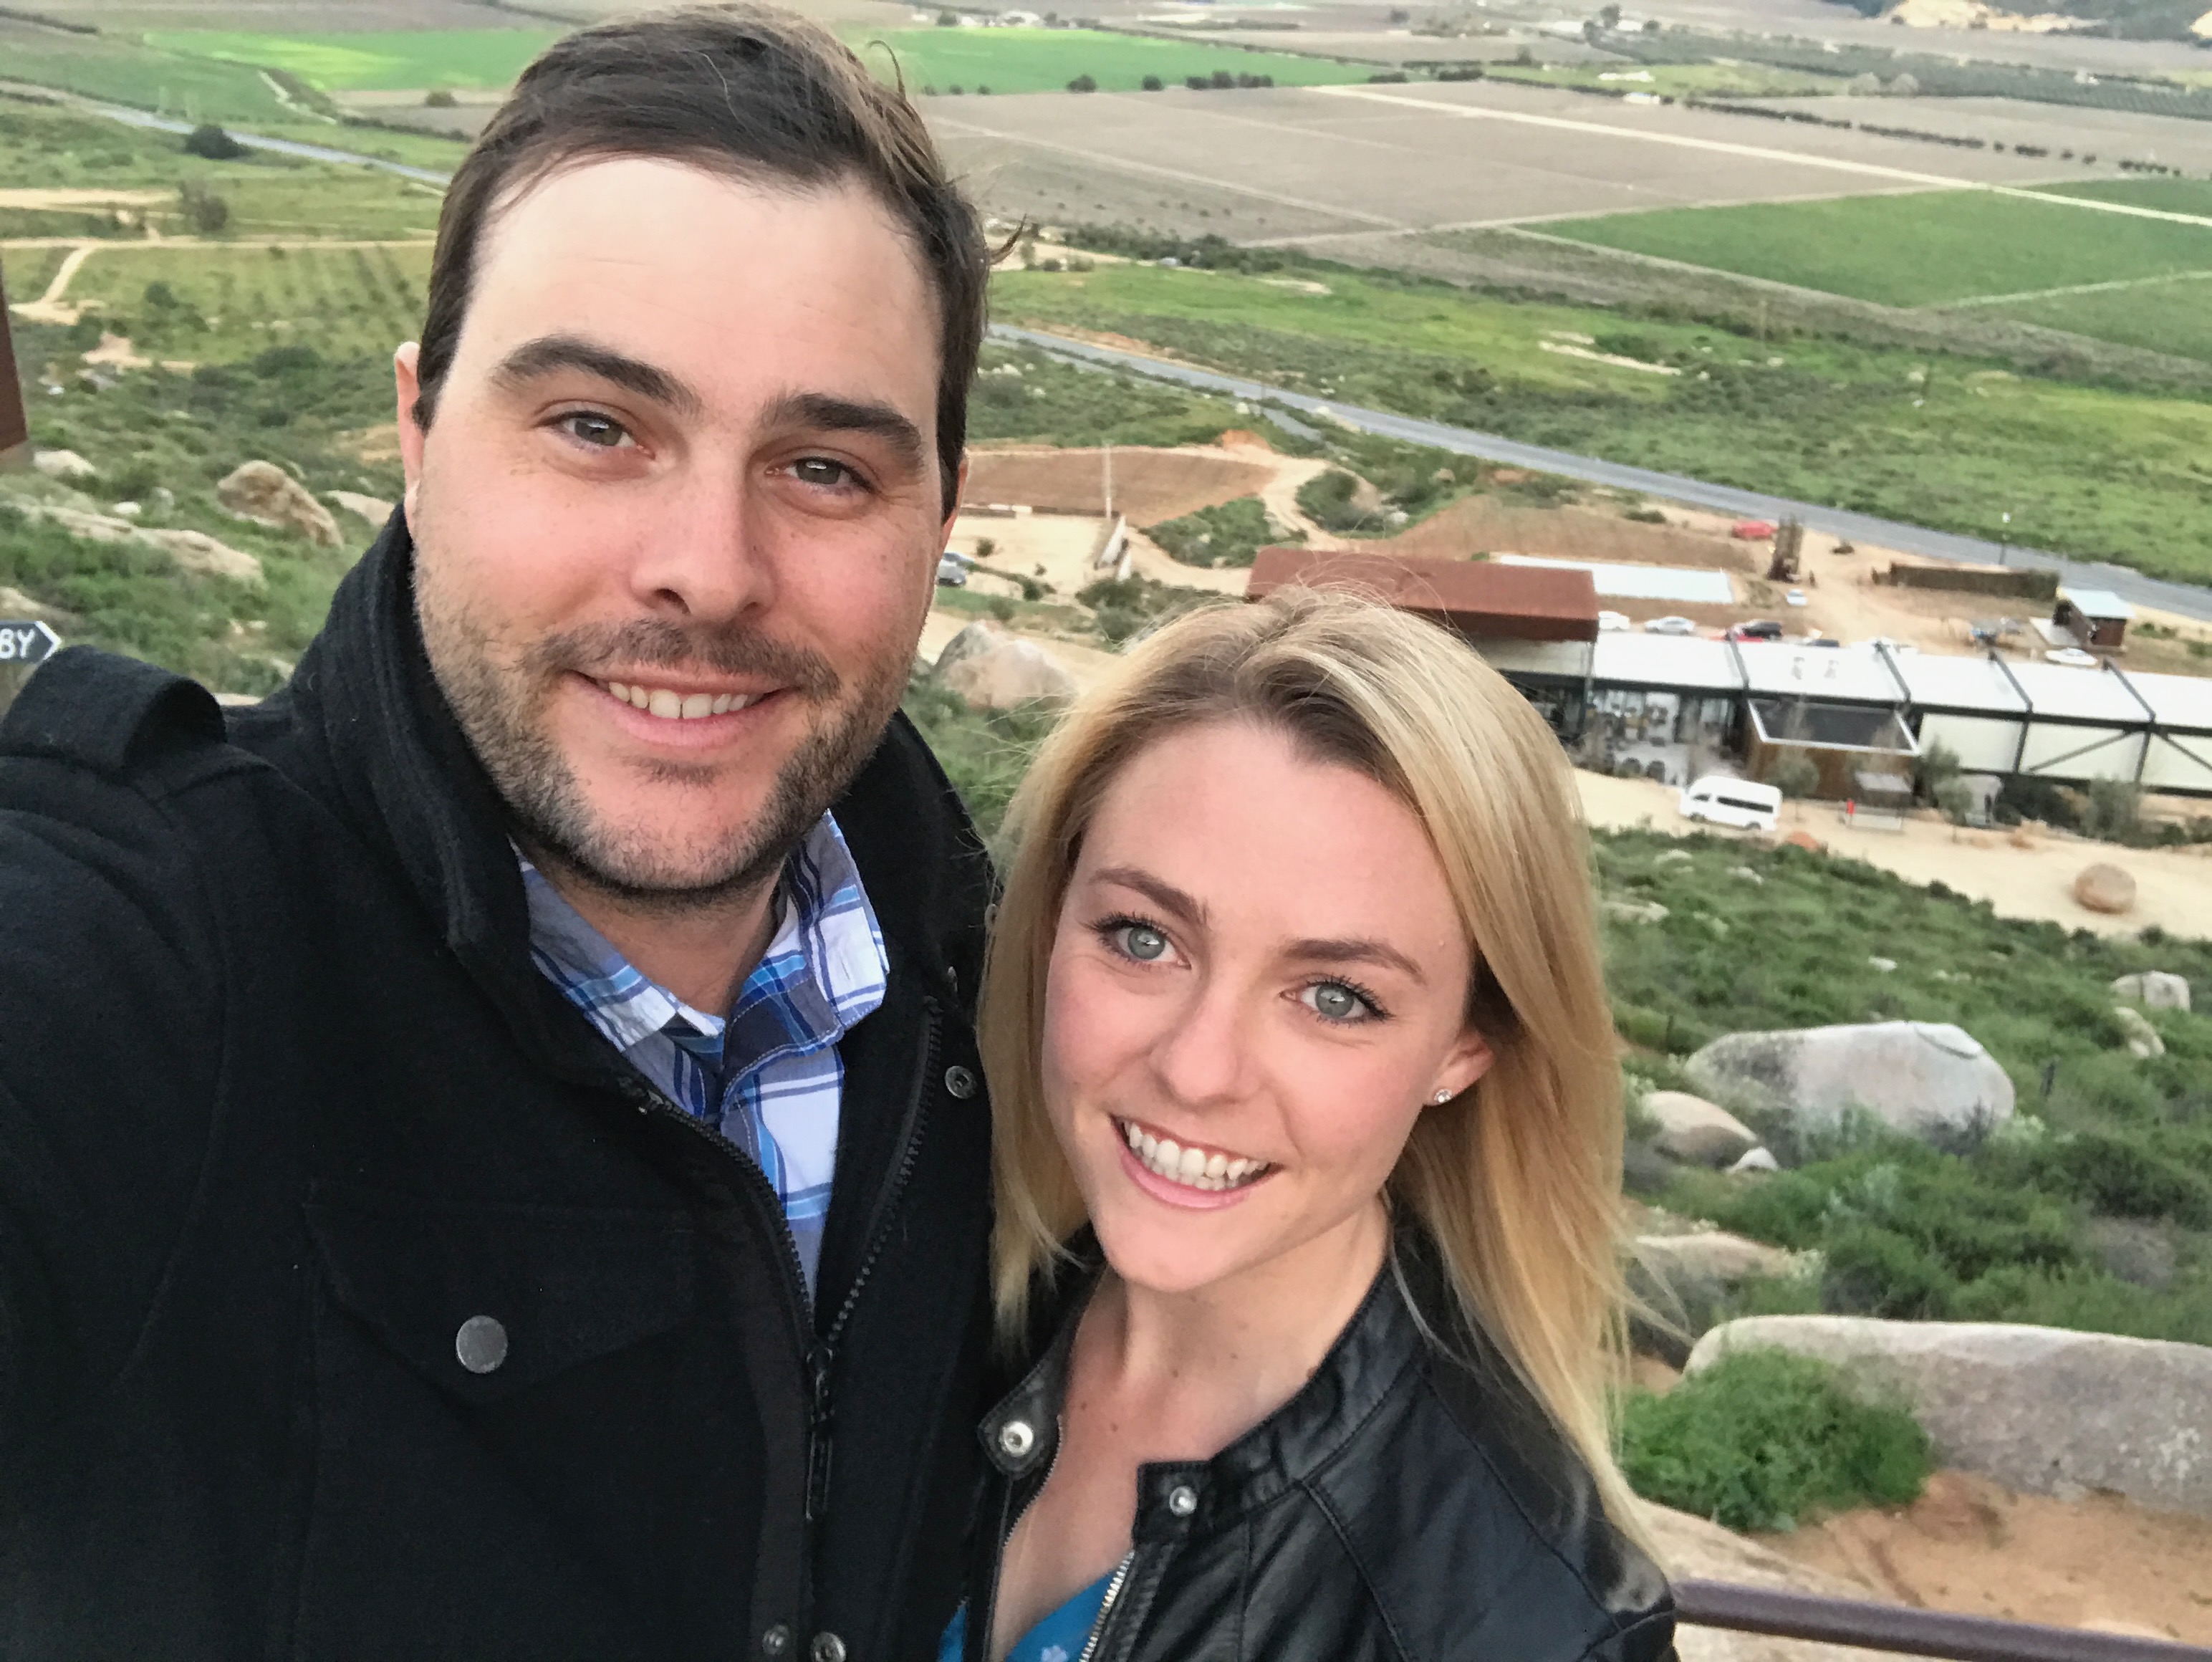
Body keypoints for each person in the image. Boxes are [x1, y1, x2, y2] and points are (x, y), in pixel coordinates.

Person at [0, 10, 997, 1657]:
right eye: (597, 426)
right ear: (416, 429)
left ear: (938, 518)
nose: (708, 569)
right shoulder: (167, 955)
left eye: (822, 466)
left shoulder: (1003, 995)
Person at [950, 590, 1677, 1662]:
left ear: (1464, 1049)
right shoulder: (910, 1303)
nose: (1198, 1070)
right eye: (1143, 938)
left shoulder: (1529, 1624)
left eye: (1337, 996)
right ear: (1052, 921)